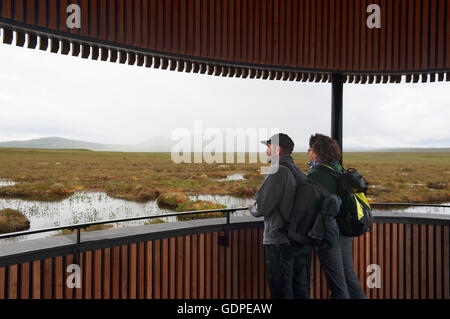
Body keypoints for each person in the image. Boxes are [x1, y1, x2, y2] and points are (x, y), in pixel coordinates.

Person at [247, 133, 312, 299]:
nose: (267, 151)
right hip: (301, 239)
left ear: (277, 149)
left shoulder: (277, 171)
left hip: (279, 242)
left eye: (268, 146)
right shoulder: (298, 172)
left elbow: (262, 208)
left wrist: (251, 208)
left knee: (281, 292)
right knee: (300, 291)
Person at [307, 133, 366, 299]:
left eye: (310, 149)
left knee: (338, 286)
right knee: (350, 278)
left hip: (329, 235)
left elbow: (309, 205)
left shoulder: (316, 175)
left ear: (317, 152)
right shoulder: (339, 169)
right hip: (346, 232)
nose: (309, 153)